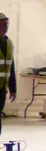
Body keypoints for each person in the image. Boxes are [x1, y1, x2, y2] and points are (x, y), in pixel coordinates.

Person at [0, 12, 16, 142]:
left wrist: (13, 88)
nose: (6, 26)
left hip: (2, 89)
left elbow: (11, 66)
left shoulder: (9, 43)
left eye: (7, 24)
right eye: (3, 24)